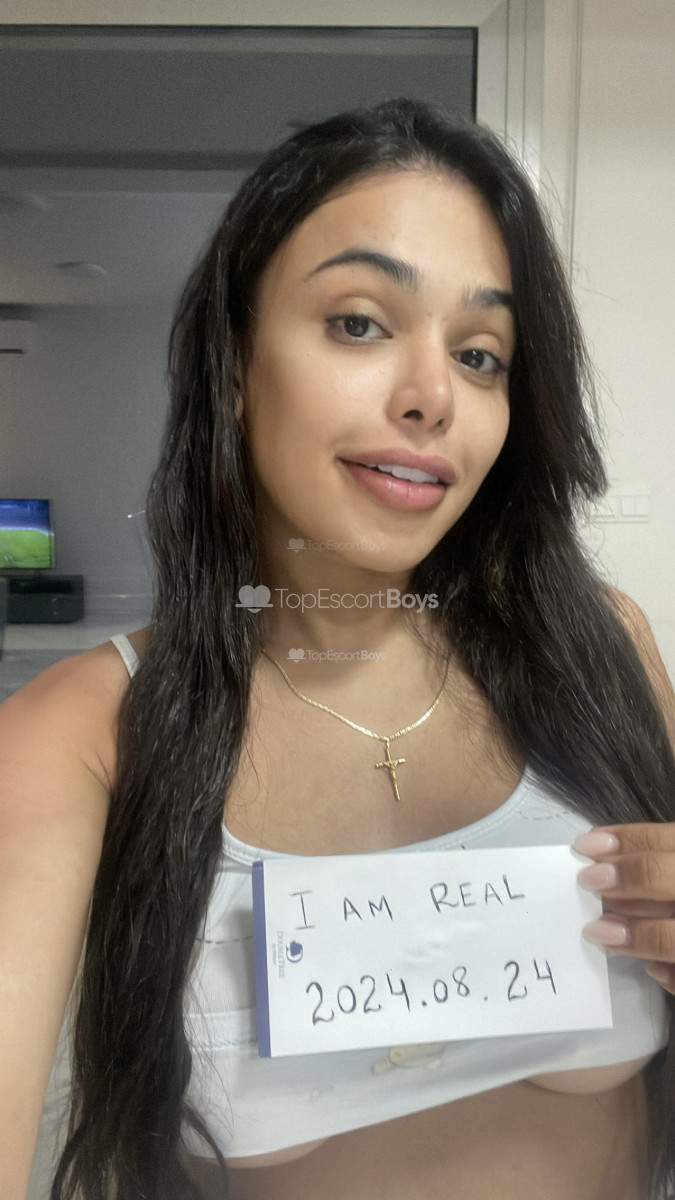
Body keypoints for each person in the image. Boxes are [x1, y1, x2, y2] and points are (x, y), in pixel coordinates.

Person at [2, 97, 675, 1200]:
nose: (432, 398)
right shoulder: (77, 733)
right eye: (359, 323)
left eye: (480, 354)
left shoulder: (602, 645)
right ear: (232, 366)